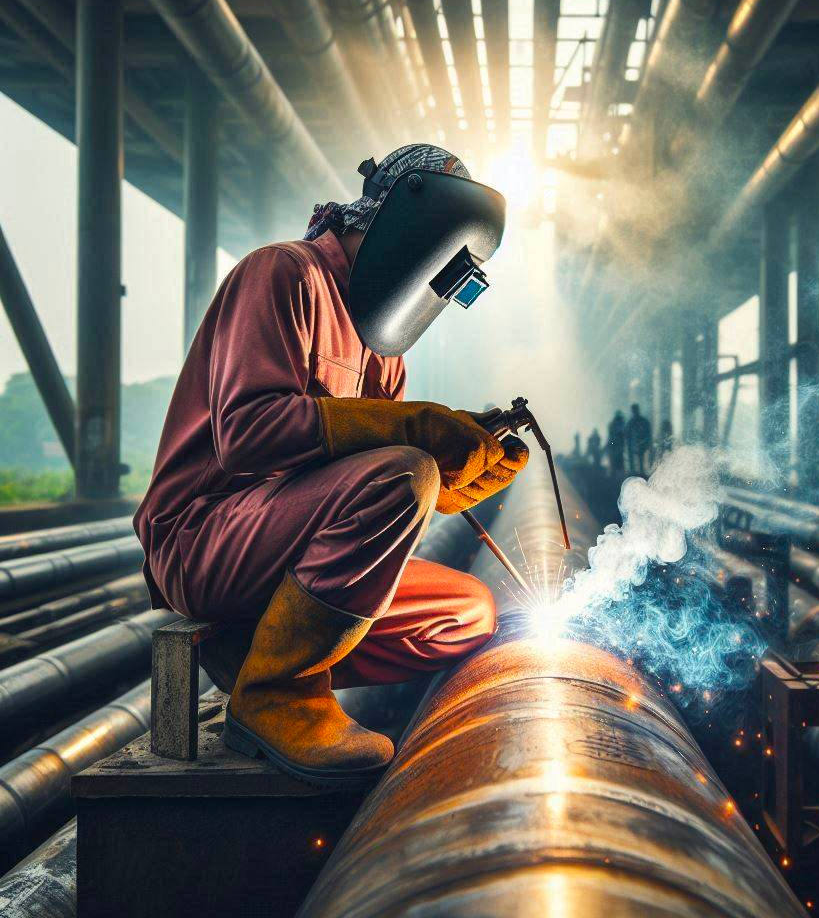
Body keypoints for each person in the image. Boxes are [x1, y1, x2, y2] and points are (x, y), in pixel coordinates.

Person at [134, 145, 527, 785]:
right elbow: (248, 433)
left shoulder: (382, 348)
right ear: (409, 236)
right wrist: (413, 435)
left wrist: (455, 477)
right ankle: (276, 695)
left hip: (282, 551)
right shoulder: (284, 274)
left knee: (466, 615)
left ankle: (252, 654)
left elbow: (367, 494)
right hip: (205, 537)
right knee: (403, 473)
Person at [626, 404, 652, 474]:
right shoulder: (634, 422)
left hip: (640, 446)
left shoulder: (631, 422)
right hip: (638, 445)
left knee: (641, 463)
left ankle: (639, 474)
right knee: (639, 463)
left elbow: (627, 435)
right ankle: (639, 473)